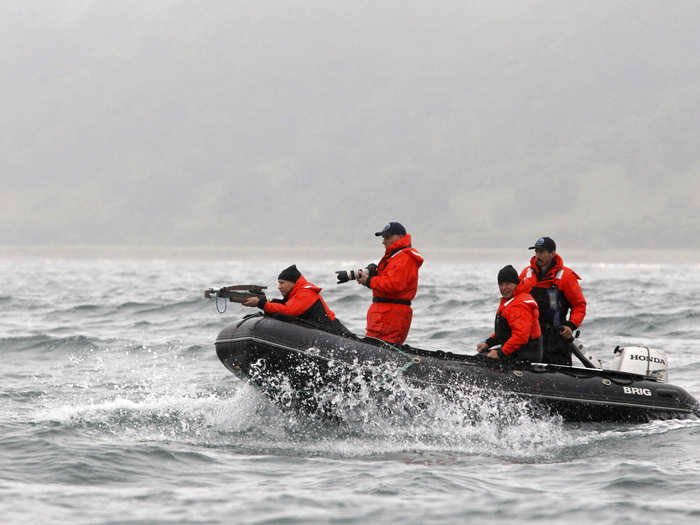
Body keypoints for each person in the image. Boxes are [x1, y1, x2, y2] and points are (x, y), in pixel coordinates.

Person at [518, 236, 587, 365]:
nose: (538, 255)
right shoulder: (526, 274)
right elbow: (515, 301)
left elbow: (579, 305)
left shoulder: (566, 276)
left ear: (552, 253)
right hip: (530, 336)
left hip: (556, 339)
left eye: (542, 252)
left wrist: (570, 325)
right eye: (536, 251)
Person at [356, 221, 424, 344]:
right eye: (383, 237)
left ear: (400, 237)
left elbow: (394, 284)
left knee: (381, 350)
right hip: (384, 314)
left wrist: (369, 281)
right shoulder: (396, 257)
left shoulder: (405, 257)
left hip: (390, 316)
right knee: (375, 350)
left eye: (387, 237)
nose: (383, 241)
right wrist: (374, 275)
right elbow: (389, 281)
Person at [243, 264, 351, 336]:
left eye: (282, 283)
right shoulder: (295, 296)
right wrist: (263, 300)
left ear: (293, 282)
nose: (279, 287)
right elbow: (283, 305)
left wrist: (262, 303)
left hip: (334, 332)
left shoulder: (306, 293)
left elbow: (288, 311)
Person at [476, 265, 543, 361]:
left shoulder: (520, 303)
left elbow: (521, 336)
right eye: (501, 284)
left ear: (516, 284)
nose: (504, 288)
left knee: (484, 360)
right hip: (513, 351)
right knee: (480, 357)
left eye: (507, 284)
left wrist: (500, 353)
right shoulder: (510, 301)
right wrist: (488, 343)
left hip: (526, 356)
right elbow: (504, 333)